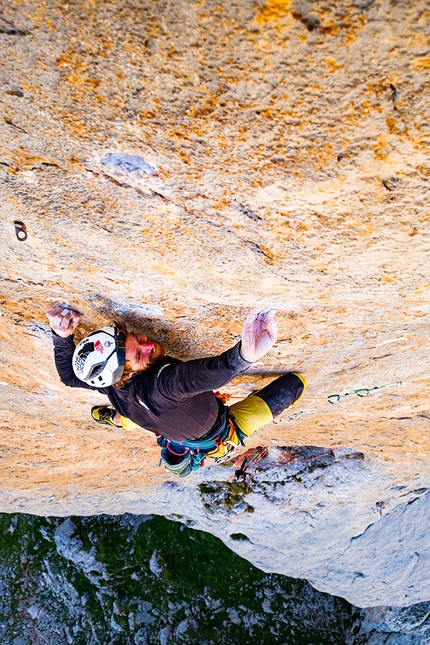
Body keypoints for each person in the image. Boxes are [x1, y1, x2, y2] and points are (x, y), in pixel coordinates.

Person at [46, 304, 306, 476]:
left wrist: (61, 336)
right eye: (140, 356)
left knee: (130, 419)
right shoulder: (162, 386)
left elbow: (68, 376)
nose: (148, 347)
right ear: (124, 374)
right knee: (295, 385)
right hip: (222, 429)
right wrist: (244, 356)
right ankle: (117, 419)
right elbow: (199, 377)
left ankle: (114, 418)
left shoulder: (113, 386)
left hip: (152, 419)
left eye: (137, 339)